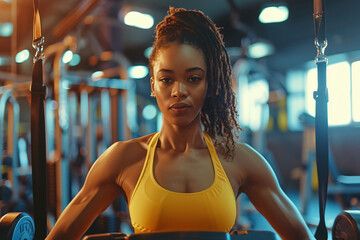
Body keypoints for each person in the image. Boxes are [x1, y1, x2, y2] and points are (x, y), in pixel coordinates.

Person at [46, 7, 314, 240]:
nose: (178, 91)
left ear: (209, 85)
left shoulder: (239, 160)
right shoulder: (122, 159)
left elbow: (302, 237)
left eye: (194, 78)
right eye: (166, 79)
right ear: (153, 85)